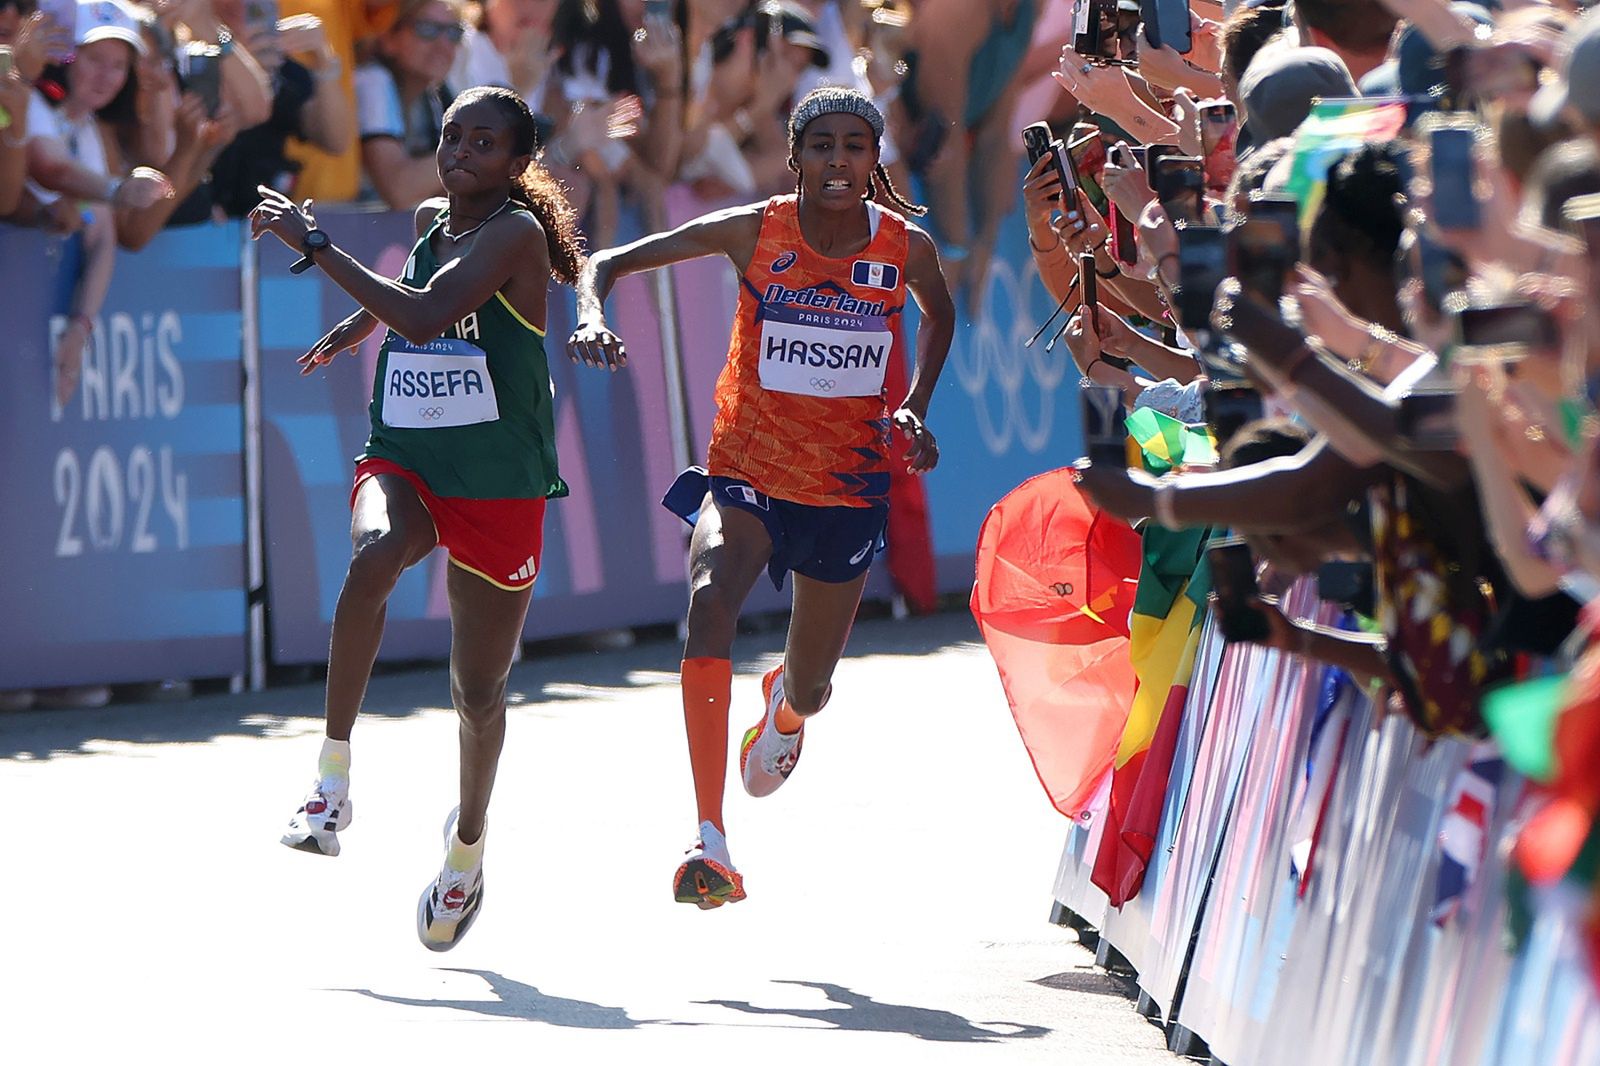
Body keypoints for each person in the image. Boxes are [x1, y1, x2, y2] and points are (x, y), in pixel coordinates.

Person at [568, 85, 955, 907]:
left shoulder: (904, 247)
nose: (839, 160)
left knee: (815, 688)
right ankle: (708, 837)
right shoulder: (756, 229)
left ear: (875, 158)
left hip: (845, 487)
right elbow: (609, 260)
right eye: (822, 146)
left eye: (855, 145)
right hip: (745, 469)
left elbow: (940, 315)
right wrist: (593, 313)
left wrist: (915, 403)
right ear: (797, 157)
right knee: (708, 600)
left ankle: (785, 703)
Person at [249, 84, 584, 949]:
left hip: (498, 481)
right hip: (410, 450)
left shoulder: (516, 232)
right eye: (450, 135)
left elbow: (433, 312)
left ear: (517, 163)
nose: (461, 150)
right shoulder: (440, 216)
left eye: (483, 141)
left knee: (478, 693)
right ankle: (331, 780)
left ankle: (467, 848)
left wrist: (316, 243)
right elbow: (416, 286)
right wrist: (363, 325)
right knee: (374, 555)